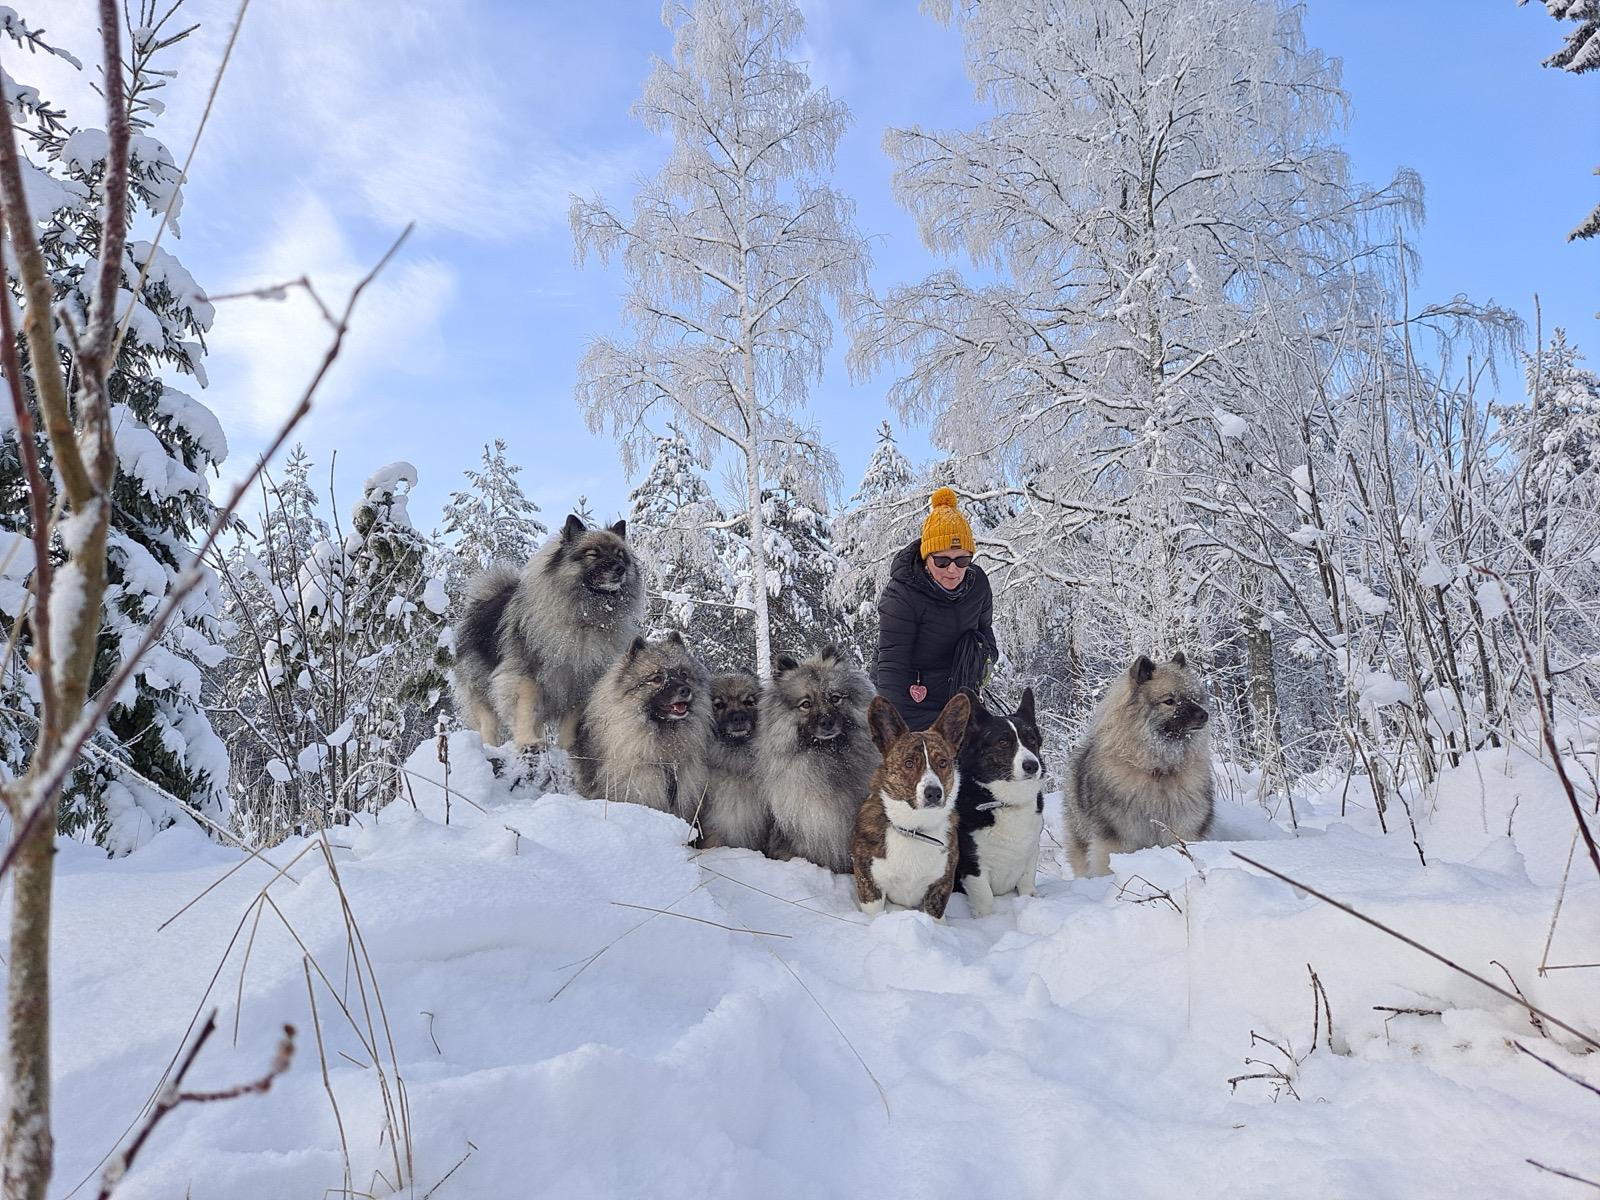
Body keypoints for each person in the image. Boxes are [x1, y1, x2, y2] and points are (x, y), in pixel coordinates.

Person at [875, 487, 997, 731]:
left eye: (962, 560)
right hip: (910, 697)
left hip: (959, 694)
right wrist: (892, 729)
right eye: (942, 561)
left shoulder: (978, 584)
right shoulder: (902, 596)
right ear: (926, 558)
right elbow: (891, 666)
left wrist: (982, 658)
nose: (952, 570)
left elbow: (985, 631)